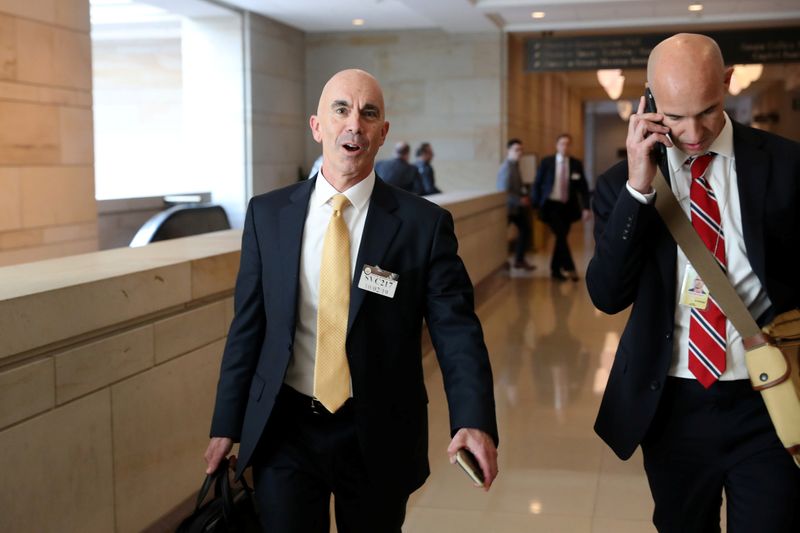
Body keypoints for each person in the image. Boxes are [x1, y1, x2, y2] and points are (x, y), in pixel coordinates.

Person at [204, 69, 499, 533]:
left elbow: (456, 330)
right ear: (317, 126)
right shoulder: (268, 214)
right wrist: (226, 423)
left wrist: (474, 418)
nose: (354, 124)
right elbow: (248, 326)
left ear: (383, 133)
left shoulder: (423, 225)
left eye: (368, 114)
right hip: (286, 430)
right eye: (340, 110)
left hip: (377, 432)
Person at [586, 33, 800, 532]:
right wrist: (639, 190)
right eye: (675, 115)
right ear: (650, 99)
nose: (693, 131)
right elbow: (608, 294)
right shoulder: (621, 183)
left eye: (707, 110)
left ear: (727, 83)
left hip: (769, 397)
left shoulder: (787, 165)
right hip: (673, 404)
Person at [531, 133, 590, 281]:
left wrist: (586, 208)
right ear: (557, 146)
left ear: (570, 146)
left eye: (568, 144)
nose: (565, 146)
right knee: (561, 236)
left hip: (568, 207)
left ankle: (555, 270)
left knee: (560, 237)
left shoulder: (576, 164)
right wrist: (535, 204)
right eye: (562, 143)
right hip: (551, 206)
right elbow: (537, 183)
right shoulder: (547, 162)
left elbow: (583, 187)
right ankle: (570, 267)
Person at [497, 138, 535, 270]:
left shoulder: (515, 165)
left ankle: (519, 260)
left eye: (521, 150)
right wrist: (519, 200)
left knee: (526, 230)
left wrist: (524, 196)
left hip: (517, 208)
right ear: (509, 150)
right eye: (516, 149)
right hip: (509, 209)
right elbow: (504, 192)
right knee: (501, 236)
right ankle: (504, 261)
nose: (520, 152)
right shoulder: (506, 168)